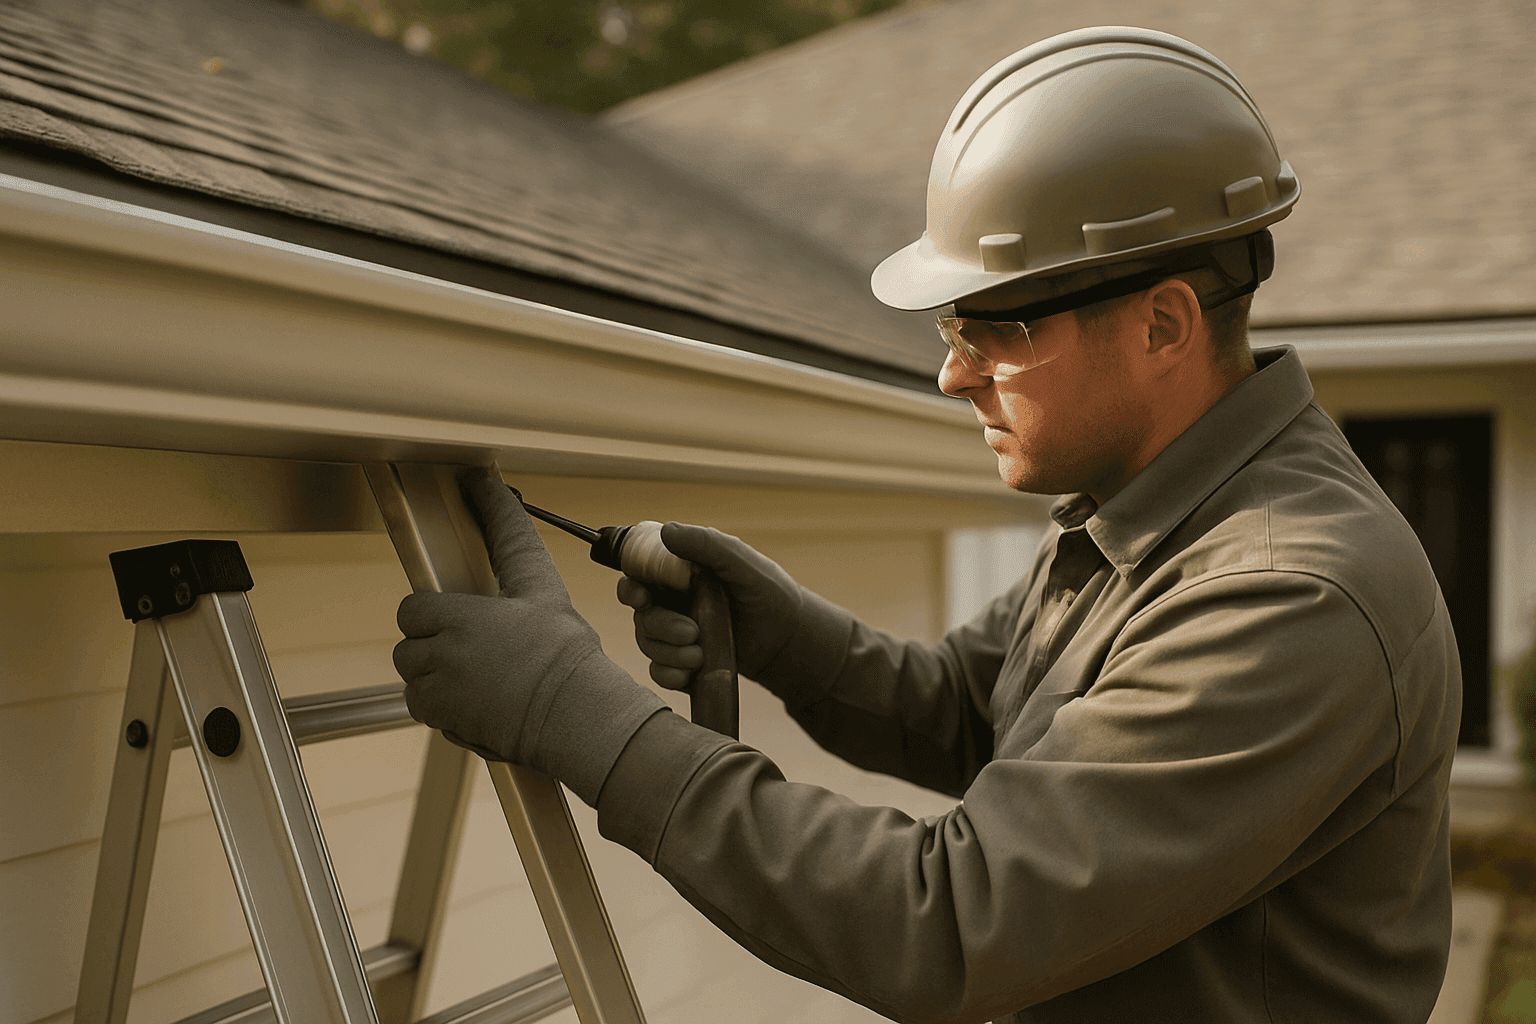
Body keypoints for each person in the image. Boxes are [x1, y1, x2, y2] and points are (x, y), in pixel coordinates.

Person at [394, 27, 1461, 1023]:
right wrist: (791, 640)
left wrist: (568, 711)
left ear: (1163, 322)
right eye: (955, 327)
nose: (954, 374)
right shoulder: (1142, 507)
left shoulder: (1291, 596)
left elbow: (951, 920)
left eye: (998, 328)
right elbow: (973, 712)